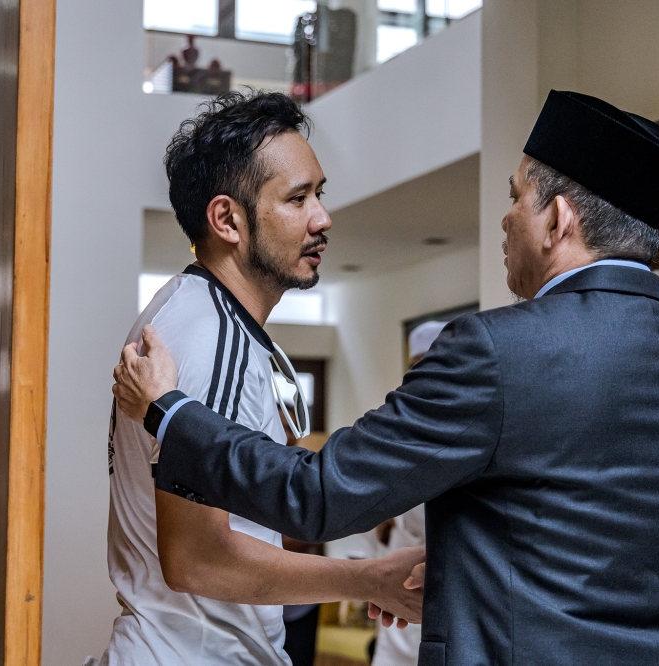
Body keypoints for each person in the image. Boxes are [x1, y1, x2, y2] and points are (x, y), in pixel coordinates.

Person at [113, 90, 659, 665]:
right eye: (300, 197)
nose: (505, 218)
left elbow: (319, 494)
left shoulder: (498, 351)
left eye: (516, 196)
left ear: (558, 221)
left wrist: (167, 411)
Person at [101, 90, 424, 666]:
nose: (322, 218)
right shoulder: (209, 333)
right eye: (297, 198)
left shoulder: (197, 313)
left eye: (319, 194)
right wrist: (368, 580)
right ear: (228, 218)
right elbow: (196, 558)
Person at [370, 320, 446, 666]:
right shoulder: (404, 410)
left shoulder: (469, 409)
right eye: (416, 363)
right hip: (403, 552)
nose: (423, 370)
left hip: (446, 561)